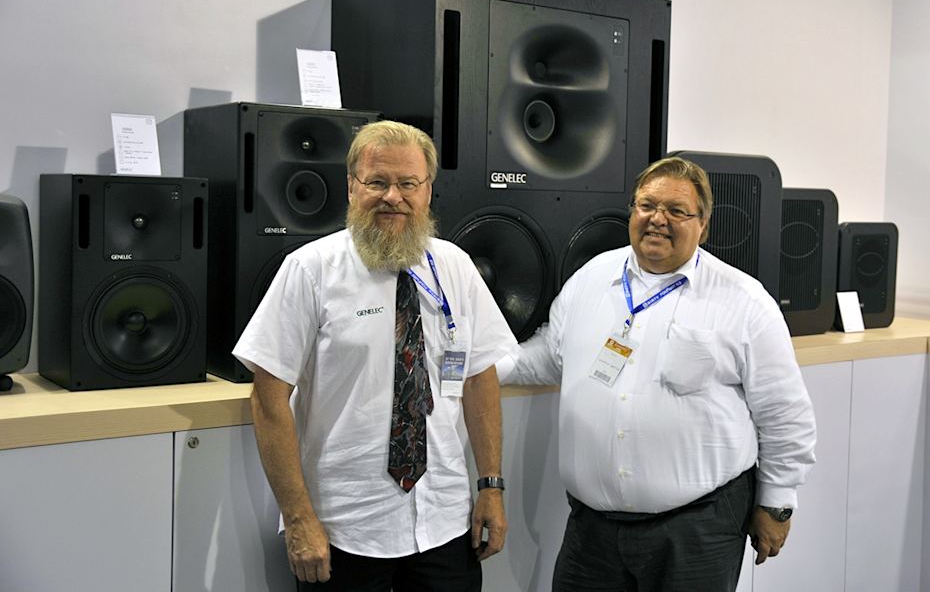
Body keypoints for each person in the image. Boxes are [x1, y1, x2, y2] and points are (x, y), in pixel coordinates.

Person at [497, 156, 816, 592]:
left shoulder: (745, 302)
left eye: (677, 211)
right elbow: (554, 355)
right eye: (647, 205)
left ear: (703, 225)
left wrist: (776, 505)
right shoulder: (591, 278)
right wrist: (484, 369)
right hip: (592, 533)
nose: (658, 219)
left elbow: (785, 414)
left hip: (696, 533)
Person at [233, 120, 517, 591]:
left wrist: (491, 485)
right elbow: (268, 399)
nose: (393, 197)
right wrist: (298, 517)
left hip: (444, 522)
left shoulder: (456, 266)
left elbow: (477, 377)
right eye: (377, 182)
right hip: (345, 529)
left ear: (428, 191)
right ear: (351, 187)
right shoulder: (310, 270)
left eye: (408, 184)